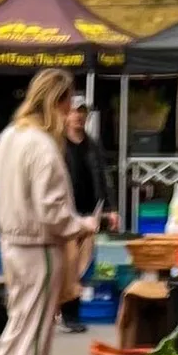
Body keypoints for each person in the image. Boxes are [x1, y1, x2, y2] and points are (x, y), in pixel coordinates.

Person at [0, 67, 95, 355]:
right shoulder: (43, 146)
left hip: (11, 243)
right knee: (35, 333)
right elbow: (51, 211)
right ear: (59, 102)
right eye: (68, 103)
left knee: (17, 326)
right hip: (39, 247)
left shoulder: (9, 135)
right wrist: (81, 225)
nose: (70, 113)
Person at [58, 99, 112, 332]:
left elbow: (102, 178)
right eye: (73, 112)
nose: (78, 116)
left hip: (90, 214)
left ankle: (71, 313)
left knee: (80, 266)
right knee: (68, 265)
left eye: (82, 112)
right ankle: (67, 315)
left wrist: (109, 209)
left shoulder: (92, 145)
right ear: (66, 115)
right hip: (66, 213)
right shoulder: (58, 144)